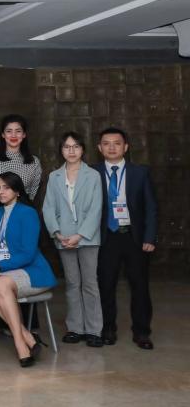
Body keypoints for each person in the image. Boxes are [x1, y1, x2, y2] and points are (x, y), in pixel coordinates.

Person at [0, 172, 56, 367]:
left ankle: (20, 344)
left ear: (17, 191)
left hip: (32, 271)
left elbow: (28, 253)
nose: (1, 192)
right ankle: (27, 335)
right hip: (7, 270)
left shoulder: (28, 213)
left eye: (6, 187)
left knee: (2, 284)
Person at [94, 127, 157, 350]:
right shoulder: (91, 172)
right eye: (106, 143)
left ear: (126, 147)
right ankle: (107, 328)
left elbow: (151, 208)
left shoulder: (140, 173)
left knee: (139, 286)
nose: (112, 147)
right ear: (99, 148)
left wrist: (150, 237)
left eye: (117, 143)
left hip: (134, 237)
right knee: (105, 285)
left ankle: (142, 332)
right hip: (105, 237)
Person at [42, 132, 104, 348]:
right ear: (61, 150)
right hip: (64, 237)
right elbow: (48, 207)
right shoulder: (54, 176)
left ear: (83, 150)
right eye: (67, 147)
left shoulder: (93, 175)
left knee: (90, 282)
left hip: (87, 237)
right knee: (72, 283)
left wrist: (80, 235)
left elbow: (96, 208)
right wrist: (57, 233)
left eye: (76, 146)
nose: (71, 151)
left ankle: (94, 330)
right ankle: (75, 328)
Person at [0, 114, 42, 201]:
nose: (13, 135)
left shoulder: (34, 161)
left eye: (18, 131)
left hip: (23, 205)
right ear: (3, 134)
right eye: (9, 131)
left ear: (24, 134)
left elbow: (33, 191)